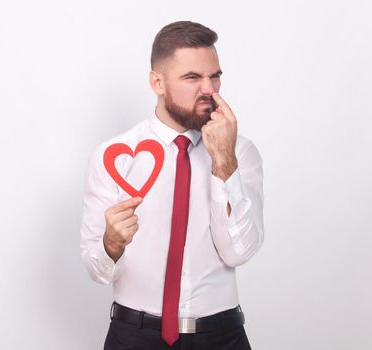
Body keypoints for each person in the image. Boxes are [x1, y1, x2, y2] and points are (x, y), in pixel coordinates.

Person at [80, 20, 264, 350]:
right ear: (158, 82)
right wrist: (111, 243)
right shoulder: (115, 157)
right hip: (133, 335)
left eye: (215, 75)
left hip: (220, 336)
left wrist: (224, 161)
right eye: (192, 77)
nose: (210, 89)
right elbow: (97, 269)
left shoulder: (241, 153)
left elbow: (239, 251)